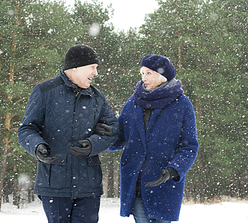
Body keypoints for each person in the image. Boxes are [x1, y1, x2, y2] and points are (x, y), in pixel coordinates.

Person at [18, 44, 119, 223]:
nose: (96, 73)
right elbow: (26, 129)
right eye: (92, 68)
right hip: (54, 182)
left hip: (88, 184)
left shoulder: (97, 98)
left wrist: (93, 144)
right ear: (75, 67)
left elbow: (112, 131)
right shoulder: (44, 91)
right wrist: (37, 146)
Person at [110, 54, 199, 223]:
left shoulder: (182, 104)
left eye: (149, 73)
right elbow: (119, 138)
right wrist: (103, 133)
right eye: (142, 73)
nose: (144, 78)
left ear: (162, 75)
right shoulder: (133, 102)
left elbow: (189, 146)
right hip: (136, 184)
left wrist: (174, 169)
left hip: (165, 184)